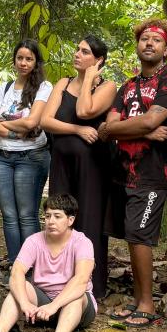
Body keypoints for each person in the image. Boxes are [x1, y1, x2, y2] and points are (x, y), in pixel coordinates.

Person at [99, 18, 167, 327]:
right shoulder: (127, 85)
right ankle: (138, 299)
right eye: (144, 39)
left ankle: (147, 305)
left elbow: (150, 120)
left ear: (166, 49)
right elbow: (106, 128)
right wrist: (145, 131)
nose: (149, 43)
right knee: (132, 237)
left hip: (153, 173)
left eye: (156, 40)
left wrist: (133, 127)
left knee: (140, 236)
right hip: (123, 173)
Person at [41, 35, 117, 299]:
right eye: (77, 49)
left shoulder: (108, 86)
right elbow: (46, 121)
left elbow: (86, 110)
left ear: (99, 60)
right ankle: (57, 282)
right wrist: (77, 130)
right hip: (61, 163)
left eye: (85, 52)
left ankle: (91, 287)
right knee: (59, 217)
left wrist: (88, 80)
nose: (77, 54)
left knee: (89, 221)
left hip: (92, 165)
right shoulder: (62, 83)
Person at [0, 194, 96, 332]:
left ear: (70, 220)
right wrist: (25, 303)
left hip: (76, 307)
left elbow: (81, 281)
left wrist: (54, 306)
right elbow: (17, 273)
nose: (51, 221)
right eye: (47, 216)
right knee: (20, 287)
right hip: (43, 303)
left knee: (77, 297)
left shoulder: (82, 242)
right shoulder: (34, 240)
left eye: (57, 216)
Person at [0, 38, 53, 270]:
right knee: (8, 215)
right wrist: (17, 129)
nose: (23, 63)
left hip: (31, 157)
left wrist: (2, 123)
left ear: (36, 62)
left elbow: (33, 122)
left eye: (29, 59)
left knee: (27, 214)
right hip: (3, 158)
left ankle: (32, 268)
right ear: (14, 60)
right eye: (20, 58)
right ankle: (16, 266)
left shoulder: (44, 87)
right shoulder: (4, 88)